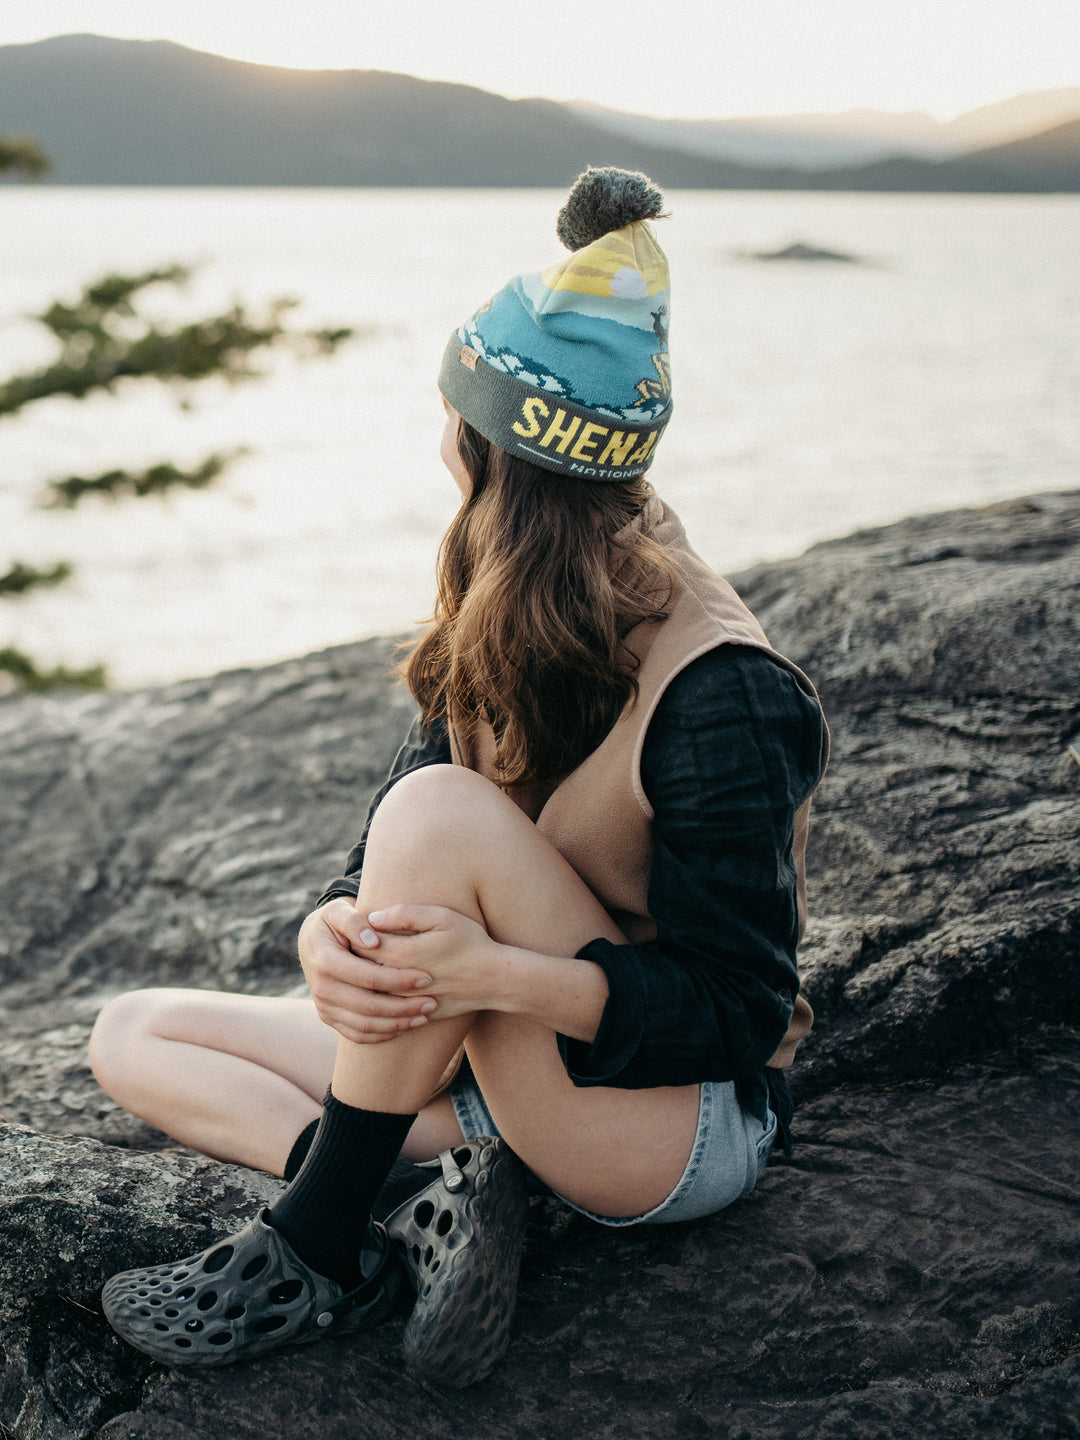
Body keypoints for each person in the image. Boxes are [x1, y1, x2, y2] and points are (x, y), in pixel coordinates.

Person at [90, 167, 827, 1387]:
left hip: (663, 1124)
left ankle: (320, 1250)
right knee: (132, 1034)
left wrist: (496, 977)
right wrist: (333, 926)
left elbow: (745, 1011)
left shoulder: (724, 693)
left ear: (483, 443)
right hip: (499, 1083)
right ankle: (430, 1212)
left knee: (438, 813)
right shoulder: (502, 588)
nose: (440, 435)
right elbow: (390, 836)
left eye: (452, 412)